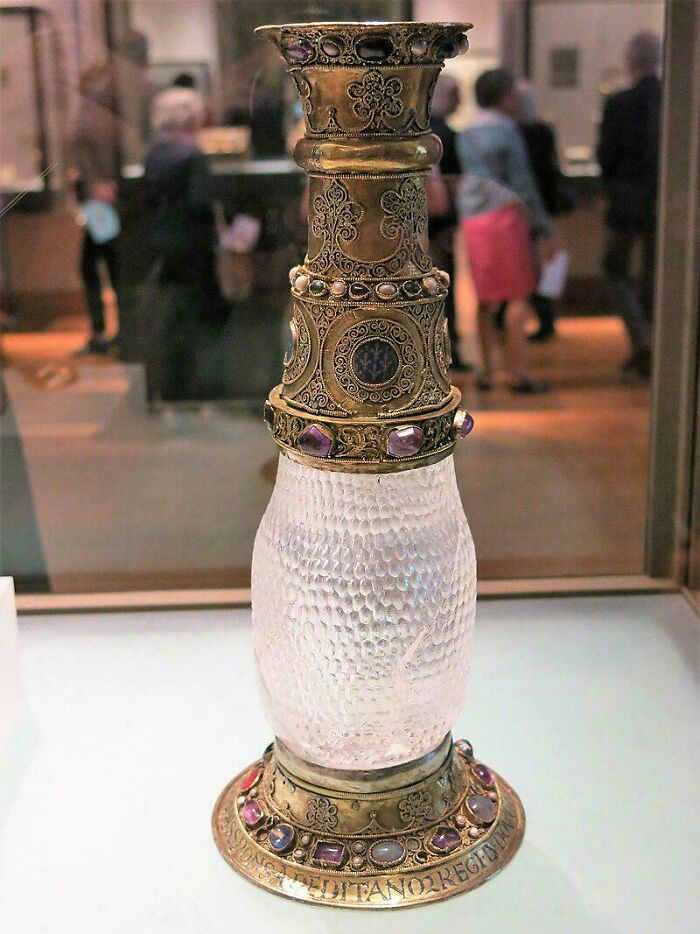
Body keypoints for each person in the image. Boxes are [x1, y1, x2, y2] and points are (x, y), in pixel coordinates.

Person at [456, 69, 555, 393]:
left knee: (485, 297)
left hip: (473, 217)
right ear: (505, 96)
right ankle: (519, 373)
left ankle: (485, 371)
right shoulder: (508, 132)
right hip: (504, 215)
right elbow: (522, 181)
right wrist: (544, 226)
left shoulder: (465, 133)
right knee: (516, 295)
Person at [144, 88, 226, 401]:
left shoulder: (155, 153)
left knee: (173, 316)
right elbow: (200, 202)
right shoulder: (192, 155)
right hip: (192, 244)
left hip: (163, 241)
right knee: (196, 317)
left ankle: (172, 385)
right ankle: (197, 386)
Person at [597, 32, 662, 378]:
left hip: (625, 200)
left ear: (630, 60)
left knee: (615, 270)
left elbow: (605, 156)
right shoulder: (672, 98)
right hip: (665, 200)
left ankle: (643, 339)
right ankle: (655, 342)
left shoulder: (619, 102)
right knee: (658, 273)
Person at [69, 64, 122, 355]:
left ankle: (105, 332)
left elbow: (88, 160)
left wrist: (99, 186)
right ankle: (111, 331)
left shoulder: (94, 114)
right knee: (103, 265)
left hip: (100, 201)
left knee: (98, 265)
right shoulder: (104, 114)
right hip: (100, 200)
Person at [515, 81, 568, 341]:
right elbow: (553, 166)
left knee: (528, 262)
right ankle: (546, 315)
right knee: (545, 261)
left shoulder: (514, 132)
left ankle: (532, 314)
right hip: (544, 202)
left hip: (524, 206)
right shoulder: (543, 131)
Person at [429, 75, 471, 371]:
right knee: (443, 284)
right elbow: (454, 183)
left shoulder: (418, 131)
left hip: (418, 222)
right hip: (439, 222)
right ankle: (448, 348)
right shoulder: (446, 135)